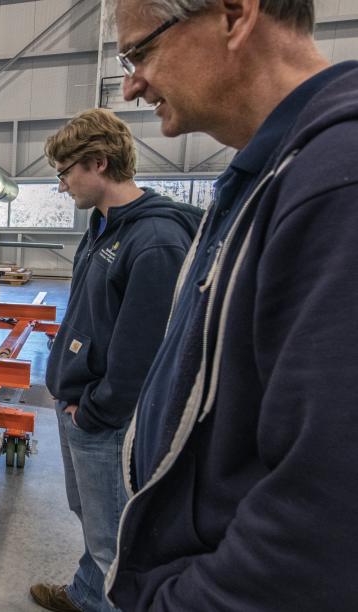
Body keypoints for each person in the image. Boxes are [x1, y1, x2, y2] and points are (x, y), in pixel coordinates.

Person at [106, 0, 358, 609]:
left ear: (234, 15)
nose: (132, 83)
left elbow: (328, 510)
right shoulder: (269, 173)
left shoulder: (337, 182)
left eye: (140, 51)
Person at [32, 108, 202, 612]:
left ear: (99, 163)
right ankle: (88, 596)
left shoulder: (154, 241)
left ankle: (103, 597)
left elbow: (141, 354)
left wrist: (95, 411)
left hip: (103, 420)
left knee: (112, 541)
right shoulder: (103, 225)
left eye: (65, 173)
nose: (61, 186)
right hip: (77, 403)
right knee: (89, 514)